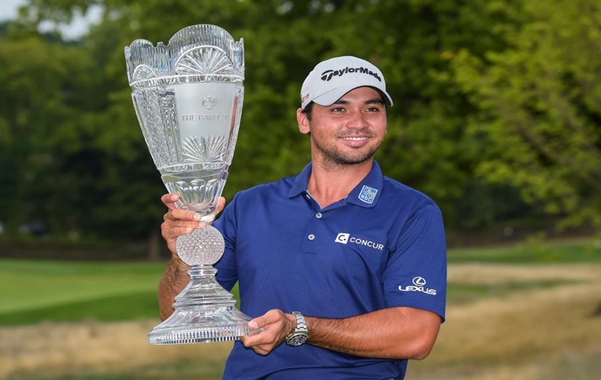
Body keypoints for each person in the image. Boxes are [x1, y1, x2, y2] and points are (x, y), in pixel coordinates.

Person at [159, 56, 447, 380]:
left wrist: (299, 326)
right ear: (304, 120)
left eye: (372, 108)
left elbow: (417, 335)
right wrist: (184, 257)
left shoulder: (412, 212)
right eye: (339, 108)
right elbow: (176, 312)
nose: (358, 122)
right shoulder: (251, 205)